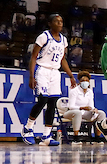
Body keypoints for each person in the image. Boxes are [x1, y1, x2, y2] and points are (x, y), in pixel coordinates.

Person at [23, 13, 77, 146]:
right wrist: (31, 75)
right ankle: (28, 128)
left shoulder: (63, 40)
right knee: (43, 100)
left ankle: (46, 135)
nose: (60, 24)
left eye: (61, 21)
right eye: (56, 21)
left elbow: (63, 59)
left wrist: (71, 75)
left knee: (52, 103)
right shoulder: (44, 36)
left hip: (55, 72)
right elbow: (34, 56)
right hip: (42, 70)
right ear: (50, 23)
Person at [62, 71, 107, 140]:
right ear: (79, 82)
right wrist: (81, 108)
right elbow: (71, 106)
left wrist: (94, 109)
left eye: (86, 81)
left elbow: (91, 106)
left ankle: (97, 137)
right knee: (78, 113)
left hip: (85, 113)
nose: (85, 82)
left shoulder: (90, 92)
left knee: (101, 113)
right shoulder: (74, 91)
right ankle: (76, 137)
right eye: (83, 81)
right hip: (72, 112)